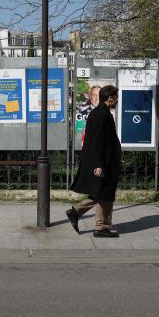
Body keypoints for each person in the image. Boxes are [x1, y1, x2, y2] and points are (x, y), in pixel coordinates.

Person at [66, 85, 122, 238]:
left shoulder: (101, 113)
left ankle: (76, 212)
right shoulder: (102, 115)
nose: (117, 101)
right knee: (105, 194)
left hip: (105, 162)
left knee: (102, 193)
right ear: (110, 99)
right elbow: (97, 141)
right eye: (116, 98)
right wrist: (99, 164)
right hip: (103, 163)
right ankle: (101, 227)